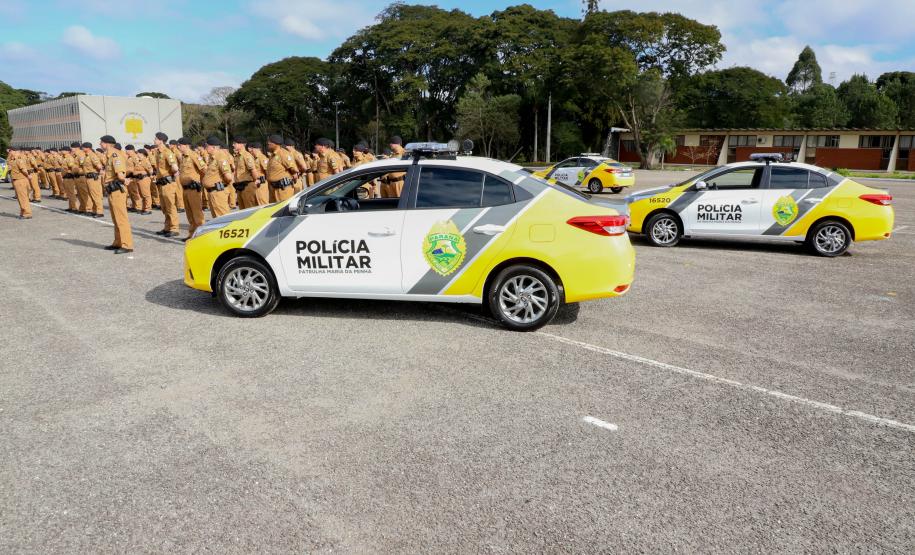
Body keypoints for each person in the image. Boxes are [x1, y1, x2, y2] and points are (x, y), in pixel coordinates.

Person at [99, 135, 133, 254]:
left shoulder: (115, 155)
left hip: (117, 190)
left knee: (121, 218)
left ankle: (127, 245)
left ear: (108, 143)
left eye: (101, 142)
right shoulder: (109, 156)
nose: (100, 144)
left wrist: (124, 180)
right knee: (116, 218)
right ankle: (118, 242)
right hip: (112, 190)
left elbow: (120, 174)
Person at [177, 137, 207, 239]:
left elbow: (204, 170)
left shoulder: (194, 155)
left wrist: (200, 182)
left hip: (194, 189)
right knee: (189, 214)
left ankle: (201, 236)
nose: (178, 147)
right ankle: (192, 235)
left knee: (197, 214)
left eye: (180, 145)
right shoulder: (183, 157)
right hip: (185, 189)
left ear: (185, 146)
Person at [153, 132, 181, 237]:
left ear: (161, 140)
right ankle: (167, 227)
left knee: (170, 206)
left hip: (168, 183)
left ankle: (174, 228)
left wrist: (172, 174)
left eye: (156, 139)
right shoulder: (158, 152)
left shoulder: (167, 152)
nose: (154, 140)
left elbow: (174, 167)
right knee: (164, 207)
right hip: (161, 183)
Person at [200, 137, 234, 218]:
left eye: (207, 146)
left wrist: (221, 184)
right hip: (213, 192)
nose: (205, 148)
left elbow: (228, 177)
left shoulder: (220, 157)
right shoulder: (212, 158)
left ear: (214, 147)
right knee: (216, 218)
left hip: (218, 192)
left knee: (223, 217)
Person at [265, 134, 298, 203]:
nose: (268, 143)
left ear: (276, 143)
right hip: (273, 189)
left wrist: (289, 183)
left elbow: (294, 171)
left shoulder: (283, 154)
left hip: (283, 190)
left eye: (270, 142)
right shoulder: (272, 155)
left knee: (283, 210)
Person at [232, 137, 261, 210]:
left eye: (235, 143)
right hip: (240, 186)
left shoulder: (246, 155)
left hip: (247, 186)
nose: (233, 145)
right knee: (242, 210)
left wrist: (256, 180)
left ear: (241, 144)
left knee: (250, 209)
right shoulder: (237, 156)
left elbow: (253, 170)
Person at [81, 142, 105, 217]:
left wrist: (101, 170)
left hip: (93, 178)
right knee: (91, 195)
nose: (82, 149)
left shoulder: (92, 156)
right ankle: (94, 210)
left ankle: (100, 211)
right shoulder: (86, 156)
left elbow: (99, 166)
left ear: (88, 148)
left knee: (96, 195)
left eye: (83, 147)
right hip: (88, 178)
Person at [8, 148, 32, 219]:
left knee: (23, 197)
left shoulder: (19, 160)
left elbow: (23, 169)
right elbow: (9, 164)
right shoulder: (13, 160)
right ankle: (23, 212)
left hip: (20, 180)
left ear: (14, 151)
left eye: (10, 151)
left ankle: (27, 213)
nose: (9, 153)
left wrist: (28, 176)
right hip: (16, 180)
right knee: (20, 198)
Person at [134, 149, 154, 215]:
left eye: (138, 153)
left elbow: (150, 170)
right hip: (139, 179)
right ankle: (144, 208)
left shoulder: (145, 161)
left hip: (144, 179)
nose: (137, 154)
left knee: (146, 194)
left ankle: (148, 209)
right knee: (142, 194)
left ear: (142, 154)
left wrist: (149, 175)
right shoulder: (139, 161)